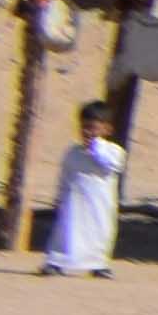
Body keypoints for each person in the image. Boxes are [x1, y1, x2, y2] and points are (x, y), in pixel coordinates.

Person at [41, 102, 126, 277]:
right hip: (73, 203)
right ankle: (56, 262)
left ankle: (98, 264)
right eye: (84, 127)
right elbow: (64, 177)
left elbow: (111, 164)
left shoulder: (113, 151)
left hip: (99, 206)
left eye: (93, 128)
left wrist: (96, 147)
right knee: (66, 231)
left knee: (99, 233)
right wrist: (59, 198)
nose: (87, 132)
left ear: (107, 129)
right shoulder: (73, 152)